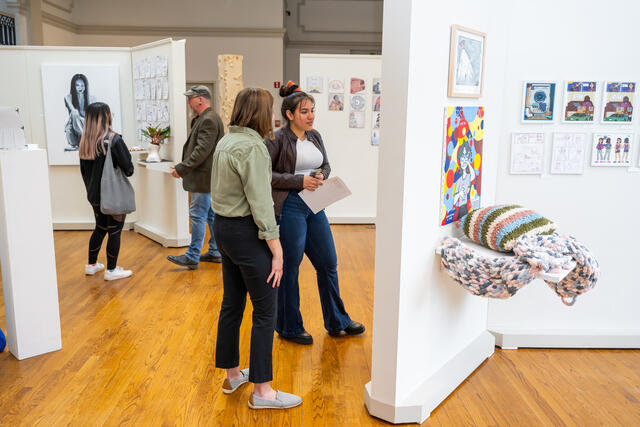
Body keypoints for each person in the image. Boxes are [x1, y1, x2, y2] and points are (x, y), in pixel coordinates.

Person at [211, 87, 301, 409]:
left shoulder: (226, 141)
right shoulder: (254, 148)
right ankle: (262, 391)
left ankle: (233, 374)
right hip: (246, 233)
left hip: (222, 228)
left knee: (232, 304)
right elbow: (261, 205)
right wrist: (277, 249)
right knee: (266, 311)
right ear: (261, 114)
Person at [266, 82, 365, 345]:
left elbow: (325, 164)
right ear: (289, 115)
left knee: (328, 262)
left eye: (312, 111)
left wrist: (322, 174)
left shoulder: (315, 136)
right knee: (290, 267)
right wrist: (299, 182)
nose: (310, 116)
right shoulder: (276, 139)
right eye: (304, 112)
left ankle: (338, 321)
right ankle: (288, 326)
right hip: (290, 205)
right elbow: (265, 175)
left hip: (315, 203)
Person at [167, 85, 224, 269]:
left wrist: (181, 168)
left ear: (200, 99)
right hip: (208, 178)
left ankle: (192, 255)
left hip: (203, 178)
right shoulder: (206, 118)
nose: (188, 101)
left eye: (190, 98)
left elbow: (202, 151)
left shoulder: (208, 119)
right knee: (210, 216)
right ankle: (215, 251)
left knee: (197, 215)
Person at [79, 102, 134, 281]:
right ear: (106, 116)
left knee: (100, 228)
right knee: (115, 231)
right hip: (112, 195)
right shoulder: (114, 140)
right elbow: (129, 169)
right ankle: (111, 270)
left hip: (93, 194)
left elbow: (84, 172)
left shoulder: (85, 141)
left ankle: (92, 265)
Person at [64, 74, 96, 151]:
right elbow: (73, 112)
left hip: (88, 127)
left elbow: (92, 117)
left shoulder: (92, 98)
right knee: (74, 113)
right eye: (77, 85)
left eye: (82, 85)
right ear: (73, 87)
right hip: (75, 131)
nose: (80, 88)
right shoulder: (68, 97)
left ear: (86, 86)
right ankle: (85, 139)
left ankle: (85, 140)